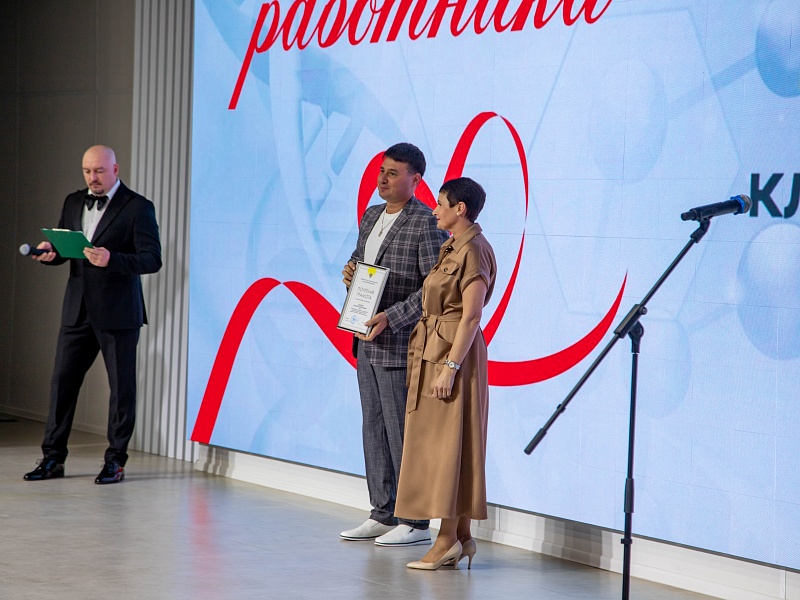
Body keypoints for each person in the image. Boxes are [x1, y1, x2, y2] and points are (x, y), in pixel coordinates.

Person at [23, 145, 162, 485]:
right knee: (62, 384)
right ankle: (53, 458)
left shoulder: (138, 206)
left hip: (118, 313)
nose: (92, 178)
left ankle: (115, 461)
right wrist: (50, 253)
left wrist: (113, 259)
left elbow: (152, 259)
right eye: (87, 171)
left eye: (99, 171)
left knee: (121, 390)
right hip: (77, 311)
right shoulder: (73, 201)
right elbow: (66, 250)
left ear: (115, 169)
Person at [340, 143, 448, 546]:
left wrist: (392, 316)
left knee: (402, 432)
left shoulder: (426, 222)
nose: (382, 179)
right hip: (365, 339)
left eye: (392, 173)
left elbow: (433, 290)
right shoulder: (371, 215)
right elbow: (360, 261)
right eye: (381, 171)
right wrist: (350, 272)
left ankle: (415, 521)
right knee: (373, 427)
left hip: (400, 342)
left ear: (415, 179)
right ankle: (382, 512)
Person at [394, 177, 497, 570]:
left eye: (440, 204)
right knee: (451, 446)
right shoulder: (452, 245)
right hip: (437, 348)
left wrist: (450, 368)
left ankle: (446, 540)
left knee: (450, 448)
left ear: (460, 209)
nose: (434, 210)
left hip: (455, 354)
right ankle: (462, 536)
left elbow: (471, 316)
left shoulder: (474, 249)